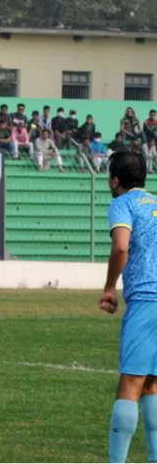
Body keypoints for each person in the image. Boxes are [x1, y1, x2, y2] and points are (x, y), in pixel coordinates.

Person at [100, 150, 157, 463]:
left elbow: (121, 245)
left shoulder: (122, 203)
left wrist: (110, 287)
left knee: (130, 385)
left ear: (115, 180)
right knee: (152, 384)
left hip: (146, 301)